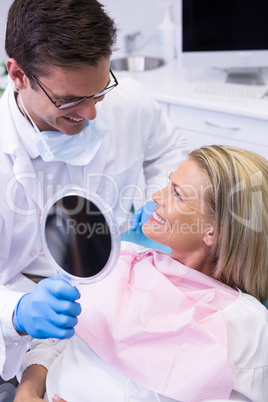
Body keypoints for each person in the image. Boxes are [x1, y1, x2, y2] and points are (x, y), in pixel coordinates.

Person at [0, 0, 189, 380]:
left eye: (100, 92)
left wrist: (158, 201)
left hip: (120, 276)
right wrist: (16, 312)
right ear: (18, 75)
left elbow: (167, 151)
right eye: (69, 100)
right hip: (27, 292)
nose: (90, 114)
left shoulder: (128, 101)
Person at [14, 145, 268, 402]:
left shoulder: (247, 325)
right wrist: (27, 391)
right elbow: (54, 342)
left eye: (177, 195)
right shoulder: (116, 260)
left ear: (213, 231)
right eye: (168, 184)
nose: (156, 196)